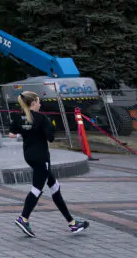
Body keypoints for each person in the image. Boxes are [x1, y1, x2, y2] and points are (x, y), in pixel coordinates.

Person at [9, 91, 90, 237]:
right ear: (33, 103)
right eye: (39, 101)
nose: (40, 104)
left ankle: (72, 223)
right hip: (41, 157)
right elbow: (51, 138)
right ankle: (23, 218)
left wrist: (25, 132)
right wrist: (51, 127)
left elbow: (11, 133)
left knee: (54, 186)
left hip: (29, 155)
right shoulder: (41, 118)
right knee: (37, 189)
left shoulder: (18, 117)